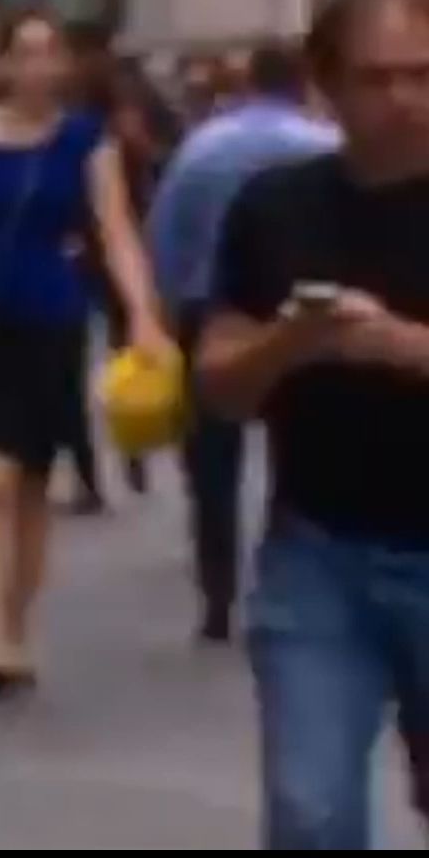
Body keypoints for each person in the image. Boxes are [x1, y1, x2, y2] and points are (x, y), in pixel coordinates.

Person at [195, 0, 429, 849]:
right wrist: (290, 342)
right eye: (377, 78)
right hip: (321, 553)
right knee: (311, 812)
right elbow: (219, 385)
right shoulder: (277, 206)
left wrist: (401, 345)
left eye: (422, 74)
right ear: (326, 86)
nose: (402, 100)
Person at [0, 10, 171, 699]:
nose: (37, 67)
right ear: (2, 63)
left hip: (54, 323)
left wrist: (143, 314)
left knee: (30, 482)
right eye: (24, 52)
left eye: (49, 53)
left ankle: (16, 621)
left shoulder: (86, 141)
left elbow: (116, 231)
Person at [144, 39, 339, 644]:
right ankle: (297, 569)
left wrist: (166, 308)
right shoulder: (324, 146)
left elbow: (165, 232)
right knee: (303, 448)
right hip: (307, 311)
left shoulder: (203, 147)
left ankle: (218, 587)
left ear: (250, 81)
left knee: (211, 455)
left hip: (213, 309)